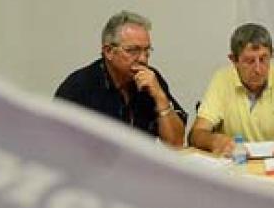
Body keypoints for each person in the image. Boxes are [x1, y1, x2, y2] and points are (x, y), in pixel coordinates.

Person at [55, 11, 186, 147]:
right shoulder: (78, 88)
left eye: (146, 50)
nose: (143, 59)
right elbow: (57, 145)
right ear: (108, 51)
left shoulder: (151, 79)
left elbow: (175, 143)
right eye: (133, 50)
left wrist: (160, 97)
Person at [189, 23, 274, 156]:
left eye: (263, 59)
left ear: (272, 54)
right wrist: (214, 141)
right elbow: (196, 134)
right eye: (249, 61)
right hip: (235, 162)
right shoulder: (222, 79)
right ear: (234, 60)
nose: (258, 69)